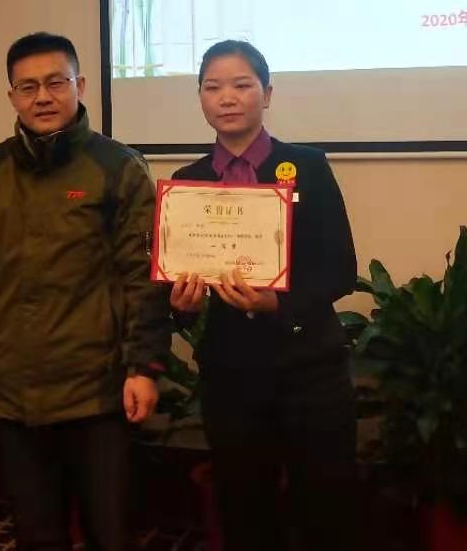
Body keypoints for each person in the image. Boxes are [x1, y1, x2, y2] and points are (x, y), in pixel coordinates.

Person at [0, 32, 168, 551]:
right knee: (36, 533)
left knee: (111, 533)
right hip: (12, 389)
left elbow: (144, 277)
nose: (43, 97)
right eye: (28, 87)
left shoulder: (117, 167)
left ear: (80, 86)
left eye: (56, 83)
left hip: (97, 389)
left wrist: (144, 367)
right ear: (12, 96)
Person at [169, 40, 358, 551]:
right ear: (201, 98)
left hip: (310, 369)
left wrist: (276, 303)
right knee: (244, 506)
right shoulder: (187, 183)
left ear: (267, 94)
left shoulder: (307, 167)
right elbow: (176, 289)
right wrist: (182, 306)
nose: (227, 97)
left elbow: (340, 269)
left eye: (241, 85)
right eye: (212, 87)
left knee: (325, 505)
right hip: (231, 375)